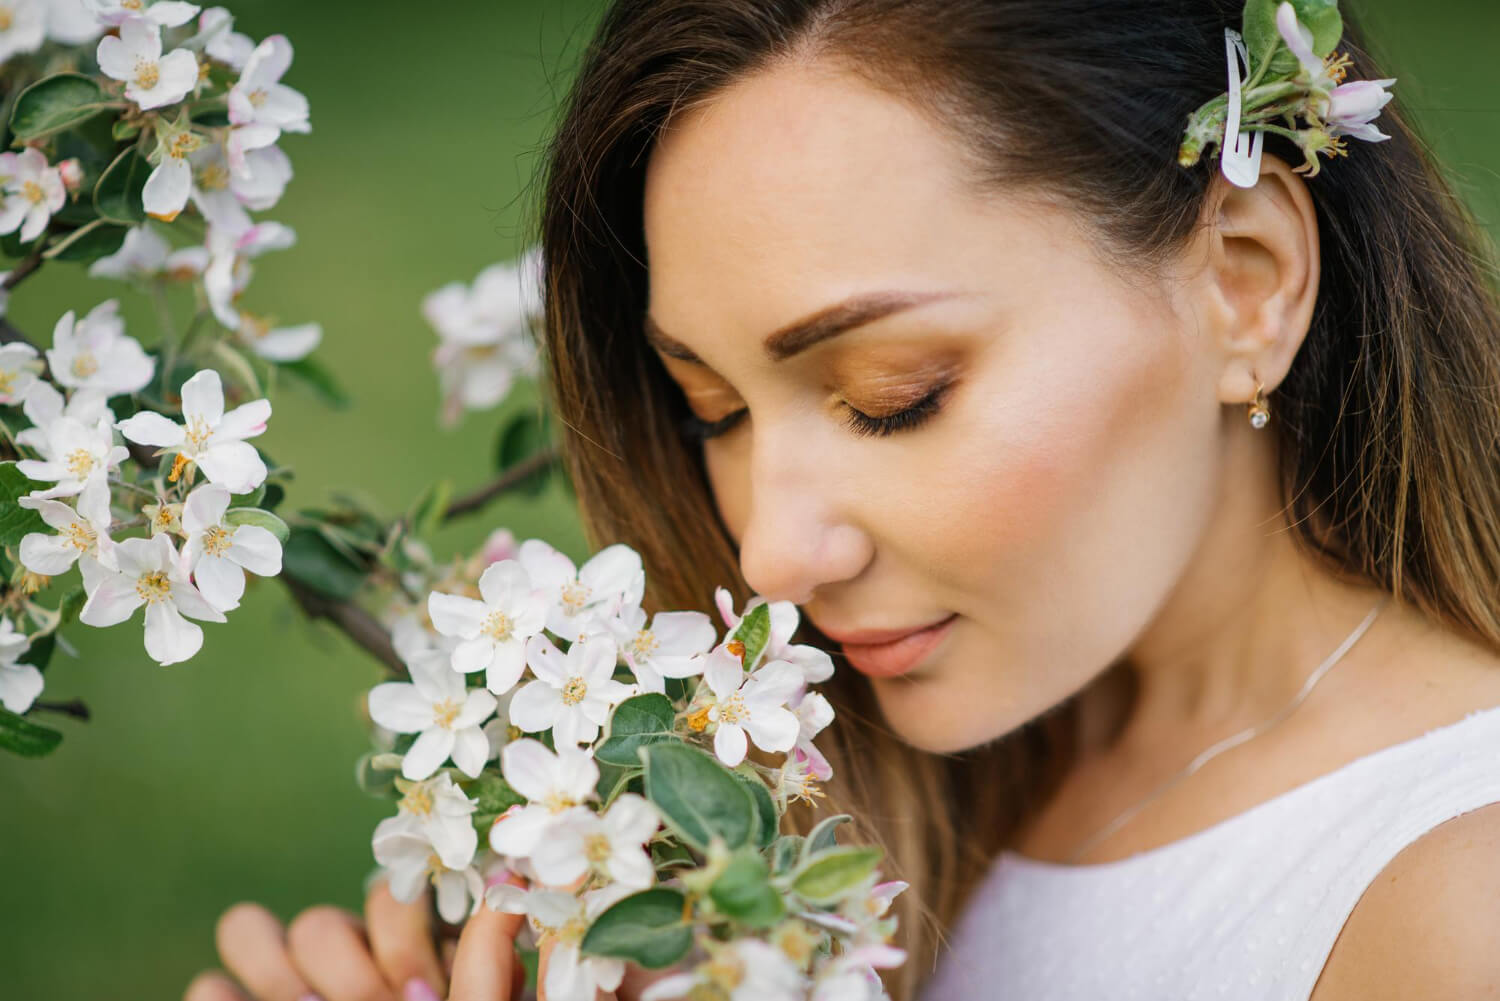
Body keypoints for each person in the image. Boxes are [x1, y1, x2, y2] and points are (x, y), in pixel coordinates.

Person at [188, 0, 1500, 998]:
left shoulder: (1449, 908)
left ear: (1247, 281)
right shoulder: (881, 805)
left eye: (894, 393)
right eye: (713, 412)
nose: (767, 555)